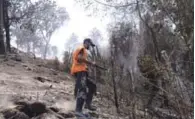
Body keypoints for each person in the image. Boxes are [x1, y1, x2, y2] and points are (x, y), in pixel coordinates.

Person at [70, 38, 97, 116]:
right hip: (79, 72)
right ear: (86, 42)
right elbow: (80, 58)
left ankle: (87, 105)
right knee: (83, 89)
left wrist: (87, 67)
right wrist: (91, 63)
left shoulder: (84, 50)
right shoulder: (81, 48)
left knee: (92, 86)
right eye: (90, 44)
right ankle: (78, 110)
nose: (90, 46)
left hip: (82, 72)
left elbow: (81, 61)